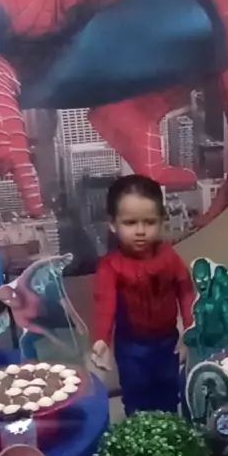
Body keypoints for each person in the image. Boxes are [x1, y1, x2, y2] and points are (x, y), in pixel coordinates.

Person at [92, 175, 195, 414]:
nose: (140, 231)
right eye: (130, 223)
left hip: (168, 341)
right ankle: (138, 431)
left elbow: (186, 291)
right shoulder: (111, 266)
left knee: (169, 392)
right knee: (136, 395)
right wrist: (101, 339)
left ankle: (170, 428)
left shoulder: (169, 257)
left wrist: (191, 328)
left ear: (161, 221)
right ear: (113, 224)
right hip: (131, 346)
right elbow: (104, 304)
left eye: (149, 222)